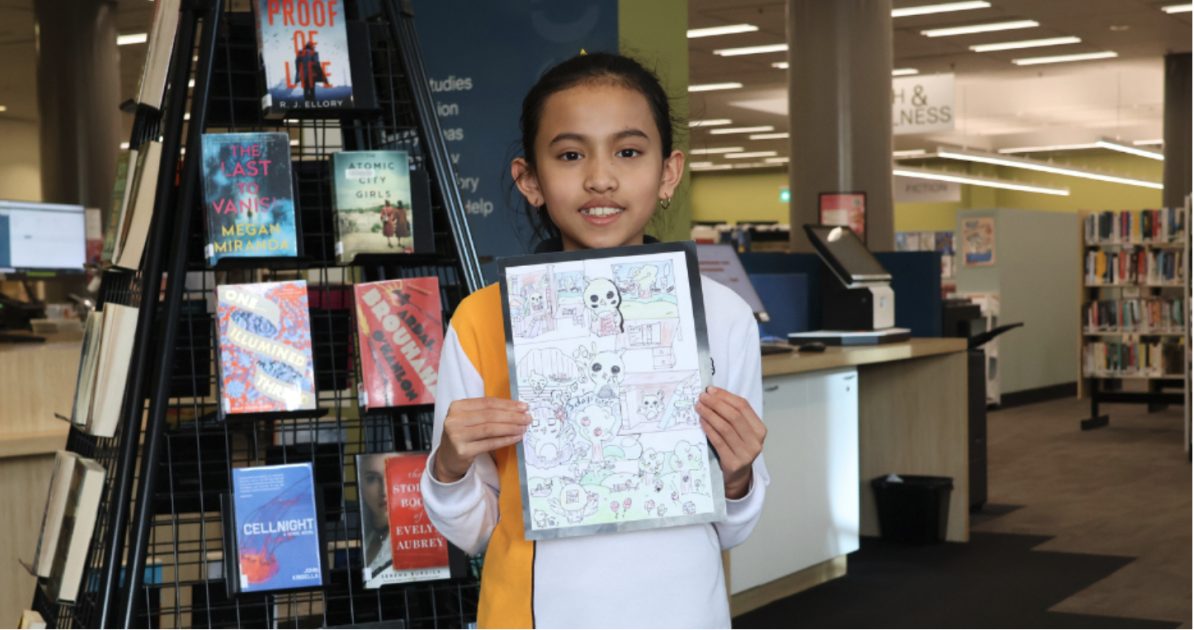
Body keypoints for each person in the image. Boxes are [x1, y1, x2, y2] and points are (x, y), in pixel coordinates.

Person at [420, 52, 768, 628]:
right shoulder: (482, 320)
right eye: (570, 154)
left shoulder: (720, 316)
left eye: (628, 152)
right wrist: (450, 466)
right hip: (530, 614)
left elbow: (734, 528)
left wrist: (737, 476)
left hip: (683, 610)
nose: (600, 177)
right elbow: (475, 532)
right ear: (530, 180)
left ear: (668, 173)